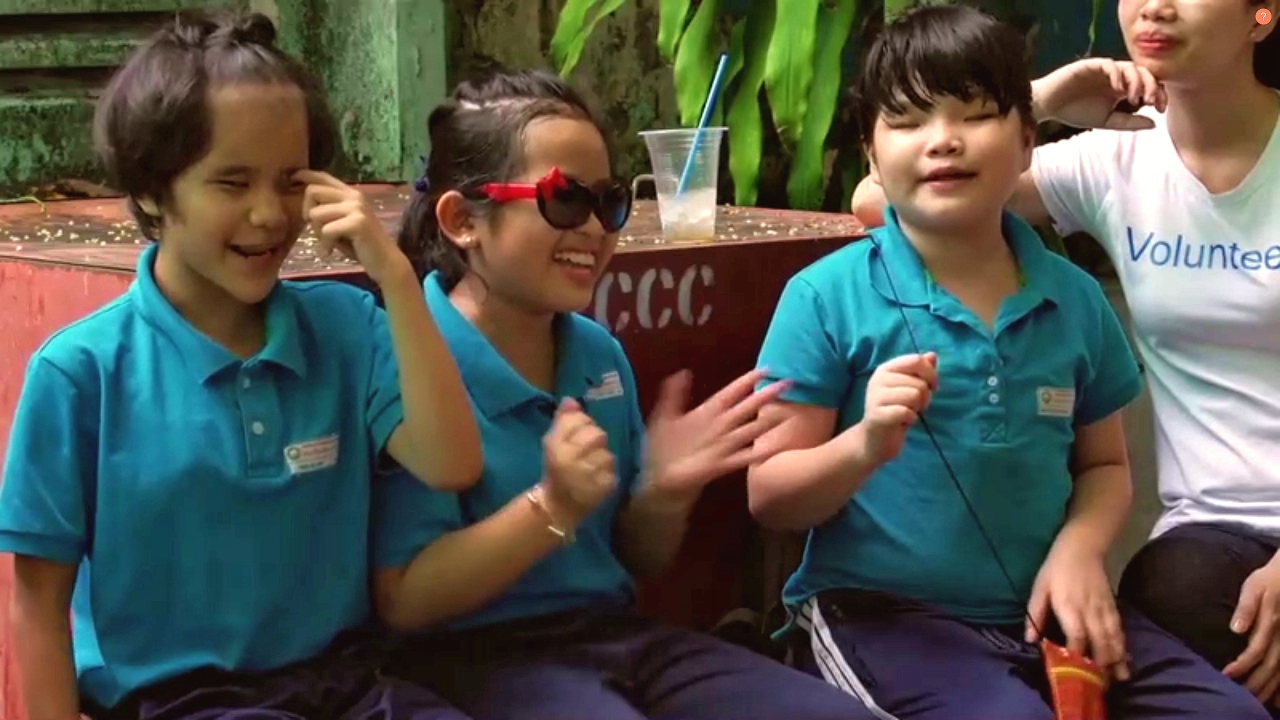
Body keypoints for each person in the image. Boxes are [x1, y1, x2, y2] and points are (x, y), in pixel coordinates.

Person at [747, 5, 1270, 719]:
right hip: (882, 616)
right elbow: (771, 495)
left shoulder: (1073, 299)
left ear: (1027, 141)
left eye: (974, 116)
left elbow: (1105, 467)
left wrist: (1079, 551)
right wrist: (864, 445)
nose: (943, 143)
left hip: (1045, 609)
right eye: (907, 122)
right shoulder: (825, 297)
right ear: (871, 153)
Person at [0, 10, 482, 720]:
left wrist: (398, 280)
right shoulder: (81, 374)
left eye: (291, 181)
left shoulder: (349, 328)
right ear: (151, 191)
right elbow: (37, 608)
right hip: (176, 701)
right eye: (231, 183)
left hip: (350, 685)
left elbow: (450, 464)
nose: (268, 215)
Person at [369, 68, 884, 720]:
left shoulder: (595, 353)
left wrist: (663, 492)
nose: (594, 229)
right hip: (472, 658)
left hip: (613, 635)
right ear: (463, 220)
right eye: (563, 199)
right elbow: (406, 601)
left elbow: (636, 555)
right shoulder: (416, 361)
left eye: (608, 202)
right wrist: (548, 506)